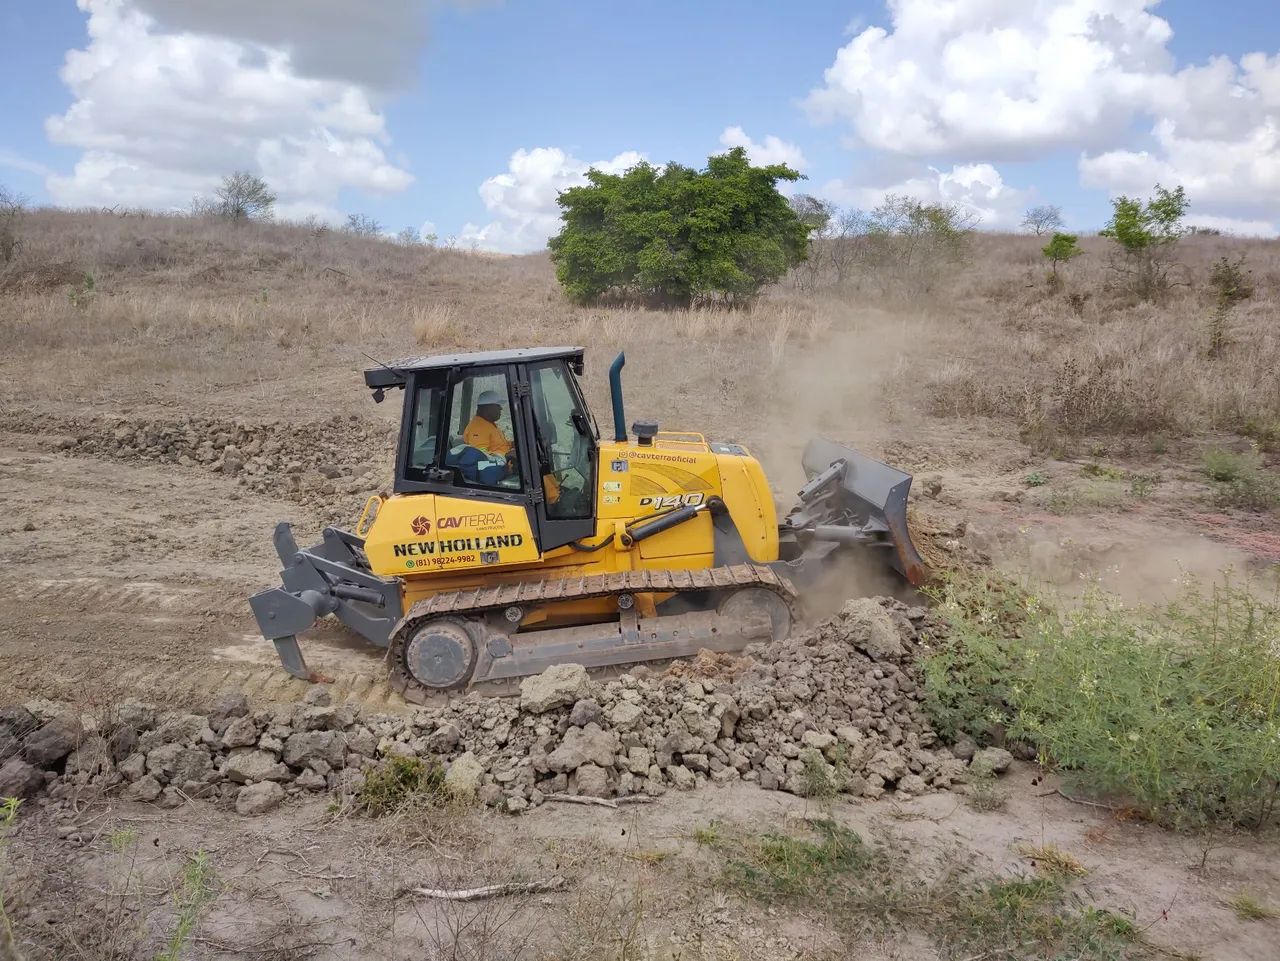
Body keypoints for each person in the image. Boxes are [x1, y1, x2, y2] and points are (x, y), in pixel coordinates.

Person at [462, 390, 562, 502]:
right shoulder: (478, 428)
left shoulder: (489, 425)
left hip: (505, 463)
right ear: (487, 408)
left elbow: (499, 446)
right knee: (532, 467)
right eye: (498, 406)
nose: (501, 409)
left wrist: (515, 443)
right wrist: (507, 457)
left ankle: (556, 491)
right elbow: (480, 461)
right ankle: (553, 499)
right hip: (499, 469)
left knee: (538, 461)